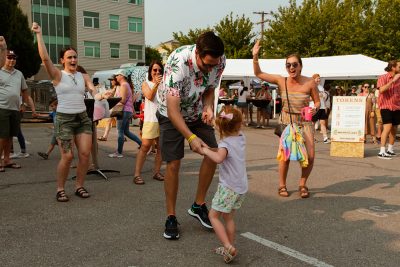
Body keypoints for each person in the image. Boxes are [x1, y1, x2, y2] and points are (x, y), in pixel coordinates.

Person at [156, 31, 226, 239]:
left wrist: (208, 107)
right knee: (174, 163)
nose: (211, 69)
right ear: (197, 53)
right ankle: (170, 216)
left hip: (196, 111)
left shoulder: (219, 61)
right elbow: (172, 110)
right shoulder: (178, 62)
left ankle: (198, 205)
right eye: (207, 65)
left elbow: (210, 88)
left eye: (215, 65)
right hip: (171, 113)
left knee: (213, 152)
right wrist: (191, 137)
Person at [32, 22, 112, 201]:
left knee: (84, 155)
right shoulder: (58, 75)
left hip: (82, 118)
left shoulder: (83, 76)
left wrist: (101, 94)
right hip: (64, 119)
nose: (73, 60)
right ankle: (60, 188)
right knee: (67, 156)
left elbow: (93, 91)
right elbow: (45, 59)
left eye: (75, 57)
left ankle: (79, 185)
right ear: (62, 60)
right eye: (69, 57)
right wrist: (39, 34)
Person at [252, 40, 320, 198]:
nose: (291, 68)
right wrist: (255, 56)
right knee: (286, 154)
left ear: (300, 66)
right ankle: (282, 185)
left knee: (310, 155)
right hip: (287, 120)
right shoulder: (281, 81)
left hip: (304, 121)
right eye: (288, 65)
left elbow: (317, 101)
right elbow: (259, 74)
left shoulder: (310, 83)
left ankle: (303, 184)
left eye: (295, 64)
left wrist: (314, 108)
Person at [202, 106, 247, 264]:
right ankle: (230, 248)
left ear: (220, 126)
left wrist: (206, 151)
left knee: (213, 216)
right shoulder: (241, 137)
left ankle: (227, 246)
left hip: (228, 187)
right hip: (241, 187)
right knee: (228, 218)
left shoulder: (225, 144)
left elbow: (219, 158)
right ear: (239, 124)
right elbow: (224, 151)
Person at [0, 45, 33, 172]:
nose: (12, 60)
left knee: (10, 136)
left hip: (15, 109)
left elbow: (25, 90)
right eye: (9, 57)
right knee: (2, 136)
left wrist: (24, 104)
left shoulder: (19, 74)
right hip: (2, 108)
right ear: (5, 58)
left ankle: (7, 160)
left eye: (14, 58)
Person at [133, 60, 164, 185]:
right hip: (151, 120)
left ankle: (156, 172)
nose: (157, 72)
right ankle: (137, 174)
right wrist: (156, 84)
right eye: (154, 70)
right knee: (145, 146)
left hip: (163, 119)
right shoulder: (146, 84)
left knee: (160, 148)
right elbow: (150, 97)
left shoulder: (165, 84)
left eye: (159, 70)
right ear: (150, 72)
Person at [108, 69, 142, 158]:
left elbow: (122, 100)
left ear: (122, 76)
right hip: (128, 111)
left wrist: (111, 102)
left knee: (120, 131)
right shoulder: (126, 85)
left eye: (117, 75)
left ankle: (119, 152)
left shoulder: (123, 85)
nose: (116, 77)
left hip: (123, 111)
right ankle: (142, 144)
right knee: (126, 131)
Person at [376, 60, 400, 159]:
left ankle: (390, 149)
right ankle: (381, 151)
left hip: (397, 107)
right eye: (399, 66)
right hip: (385, 106)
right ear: (393, 67)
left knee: (394, 128)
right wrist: (393, 80)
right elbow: (381, 90)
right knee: (387, 127)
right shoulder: (383, 77)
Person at [311, 74, 330, 143]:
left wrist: (325, 106)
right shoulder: (312, 87)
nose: (319, 80)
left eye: (319, 78)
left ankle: (325, 138)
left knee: (323, 123)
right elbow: (309, 98)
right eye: (317, 78)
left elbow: (324, 98)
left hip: (322, 107)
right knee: (313, 123)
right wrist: (317, 96)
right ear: (313, 79)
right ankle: (312, 138)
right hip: (314, 107)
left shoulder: (321, 87)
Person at [98, 75, 118, 141]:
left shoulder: (118, 87)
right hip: (113, 107)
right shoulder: (114, 87)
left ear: (116, 80)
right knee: (109, 121)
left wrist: (107, 93)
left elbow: (112, 94)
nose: (111, 81)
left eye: (112, 80)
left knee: (117, 122)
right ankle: (105, 136)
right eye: (110, 80)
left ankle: (121, 136)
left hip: (117, 107)